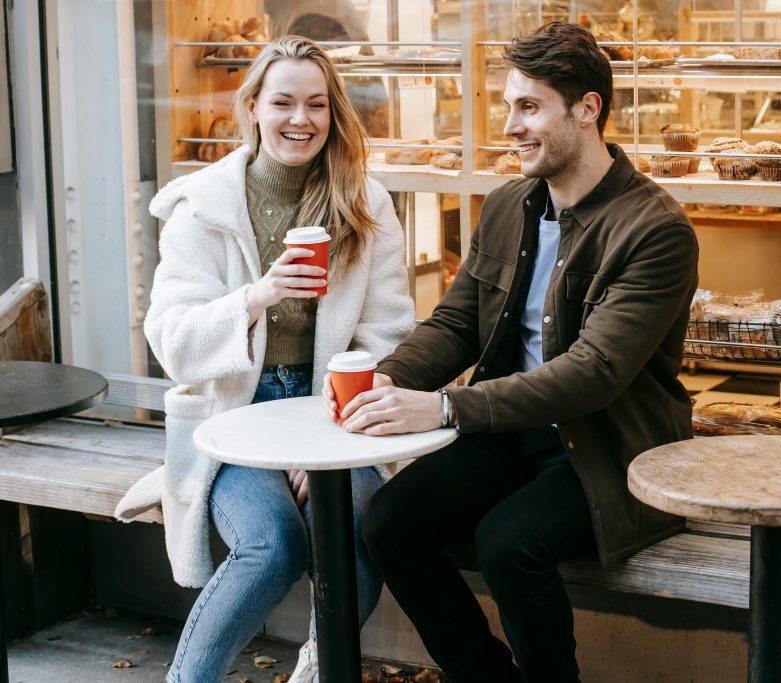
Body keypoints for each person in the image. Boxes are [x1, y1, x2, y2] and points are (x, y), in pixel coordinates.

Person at [323, 22, 699, 683]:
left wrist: (444, 408)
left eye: (530, 107)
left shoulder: (655, 229)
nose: (511, 126)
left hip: (610, 451)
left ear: (588, 109)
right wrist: (382, 383)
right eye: (509, 106)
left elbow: (594, 374)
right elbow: (457, 324)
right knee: (387, 520)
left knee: (508, 541)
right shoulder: (508, 206)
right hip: (512, 433)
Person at [114, 35, 414, 682]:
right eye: (282, 102)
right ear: (251, 106)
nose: (299, 120)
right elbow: (171, 340)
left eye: (316, 105)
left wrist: (327, 434)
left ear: (334, 114)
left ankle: (315, 671)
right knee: (272, 543)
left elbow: (389, 335)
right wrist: (257, 296)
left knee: (364, 530)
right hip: (232, 417)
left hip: (327, 413)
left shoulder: (366, 204)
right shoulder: (202, 207)